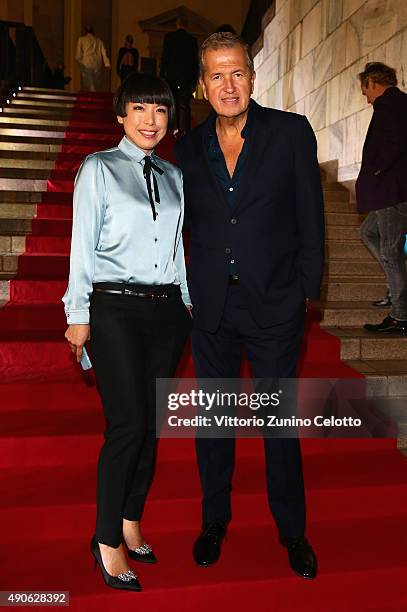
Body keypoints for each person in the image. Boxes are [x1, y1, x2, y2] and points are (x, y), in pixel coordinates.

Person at [175, 33, 324, 579]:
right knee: (213, 422)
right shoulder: (188, 147)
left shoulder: (289, 132)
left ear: (253, 78)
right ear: (202, 85)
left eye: (236, 72)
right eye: (216, 75)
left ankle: (292, 530)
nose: (228, 85)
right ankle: (215, 519)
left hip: (276, 306)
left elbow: (311, 214)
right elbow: (180, 226)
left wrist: (308, 290)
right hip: (212, 309)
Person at [63, 72, 192, 591]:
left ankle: (131, 518)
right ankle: (105, 539)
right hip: (114, 306)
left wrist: (187, 303)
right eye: (140, 109)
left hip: (168, 313)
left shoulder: (175, 176)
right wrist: (78, 314)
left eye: (160, 111)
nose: (151, 121)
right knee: (128, 424)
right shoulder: (99, 168)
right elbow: (81, 242)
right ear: (121, 115)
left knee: (153, 424)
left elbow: (180, 246)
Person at [356, 62, 407, 335]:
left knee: (391, 251)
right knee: (367, 232)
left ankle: (400, 315)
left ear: (373, 82)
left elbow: (397, 142)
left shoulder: (391, 103)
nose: (365, 97)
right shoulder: (395, 103)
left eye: (365, 90)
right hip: (392, 188)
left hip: (392, 190)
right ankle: (397, 288)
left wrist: (377, 170)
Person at [160, 15, 198, 134]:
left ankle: (172, 127)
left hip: (171, 75)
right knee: (184, 104)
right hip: (186, 76)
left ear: (177, 24)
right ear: (186, 25)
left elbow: (164, 58)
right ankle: (184, 129)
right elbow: (194, 62)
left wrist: (162, 75)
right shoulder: (192, 40)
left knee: (171, 102)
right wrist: (194, 79)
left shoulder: (169, 38)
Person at [76, 25, 111, 91]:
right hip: (97, 64)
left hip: (86, 63)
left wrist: (80, 64)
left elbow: (78, 55)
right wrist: (107, 64)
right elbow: (104, 53)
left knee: (90, 85)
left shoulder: (81, 40)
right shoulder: (99, 41)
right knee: (95, 85)